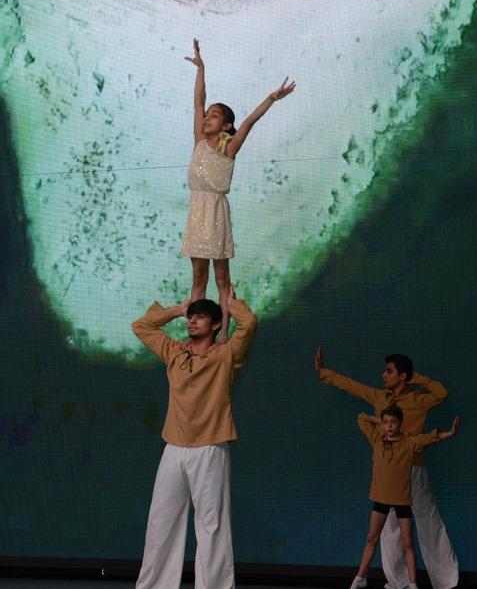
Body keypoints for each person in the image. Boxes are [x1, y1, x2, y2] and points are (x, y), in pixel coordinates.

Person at [132, 286, 257, 589]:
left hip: (210, 449)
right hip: (174, 447)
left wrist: (231, 303)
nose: (192, 321)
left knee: (211, 525)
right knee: (161, 521)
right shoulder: (174, 352)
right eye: (191, 317)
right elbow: (141, 326)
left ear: (216, 325)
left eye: (200, 317)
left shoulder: (226, 356)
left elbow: (249, 324)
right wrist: (178, 309)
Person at [315, 348, 458, 589]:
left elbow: (441, 393)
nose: (383, 375)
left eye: (389, 371)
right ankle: (399, 582)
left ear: (402, 376)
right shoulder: (380, 397)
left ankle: (446, 582)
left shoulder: (418, 399)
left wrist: (417, 379)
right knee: (389, 529)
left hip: (414, 468)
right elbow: (352, 386)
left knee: (427, 520)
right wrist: (324, 373)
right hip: (389, 473)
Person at [182, 38, 294, 341]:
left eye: (214, 116)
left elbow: (249, 122)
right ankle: (195, 334)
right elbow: (198, 100)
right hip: (197, 212)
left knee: (221, 279)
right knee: (197, 277)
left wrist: (271, 98)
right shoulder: (198, 140)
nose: (206, 118)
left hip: (216, 213)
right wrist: (201, 69)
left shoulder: (228, 148)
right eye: (207, 116)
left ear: (226, 125)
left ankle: (222, 336)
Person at [349, 406, 460, 589]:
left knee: (407, 542)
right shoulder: (376, 439)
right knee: (372, 537)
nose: (389, 426)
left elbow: (430, 438)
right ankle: (360, 578)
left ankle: (412, 583)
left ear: (400, 424)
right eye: (386, 423)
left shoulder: (408, 443)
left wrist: (450, 433)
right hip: (381, 499)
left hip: (401, 501)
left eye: (393, 422)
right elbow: (361, 417)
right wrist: (380, 421)